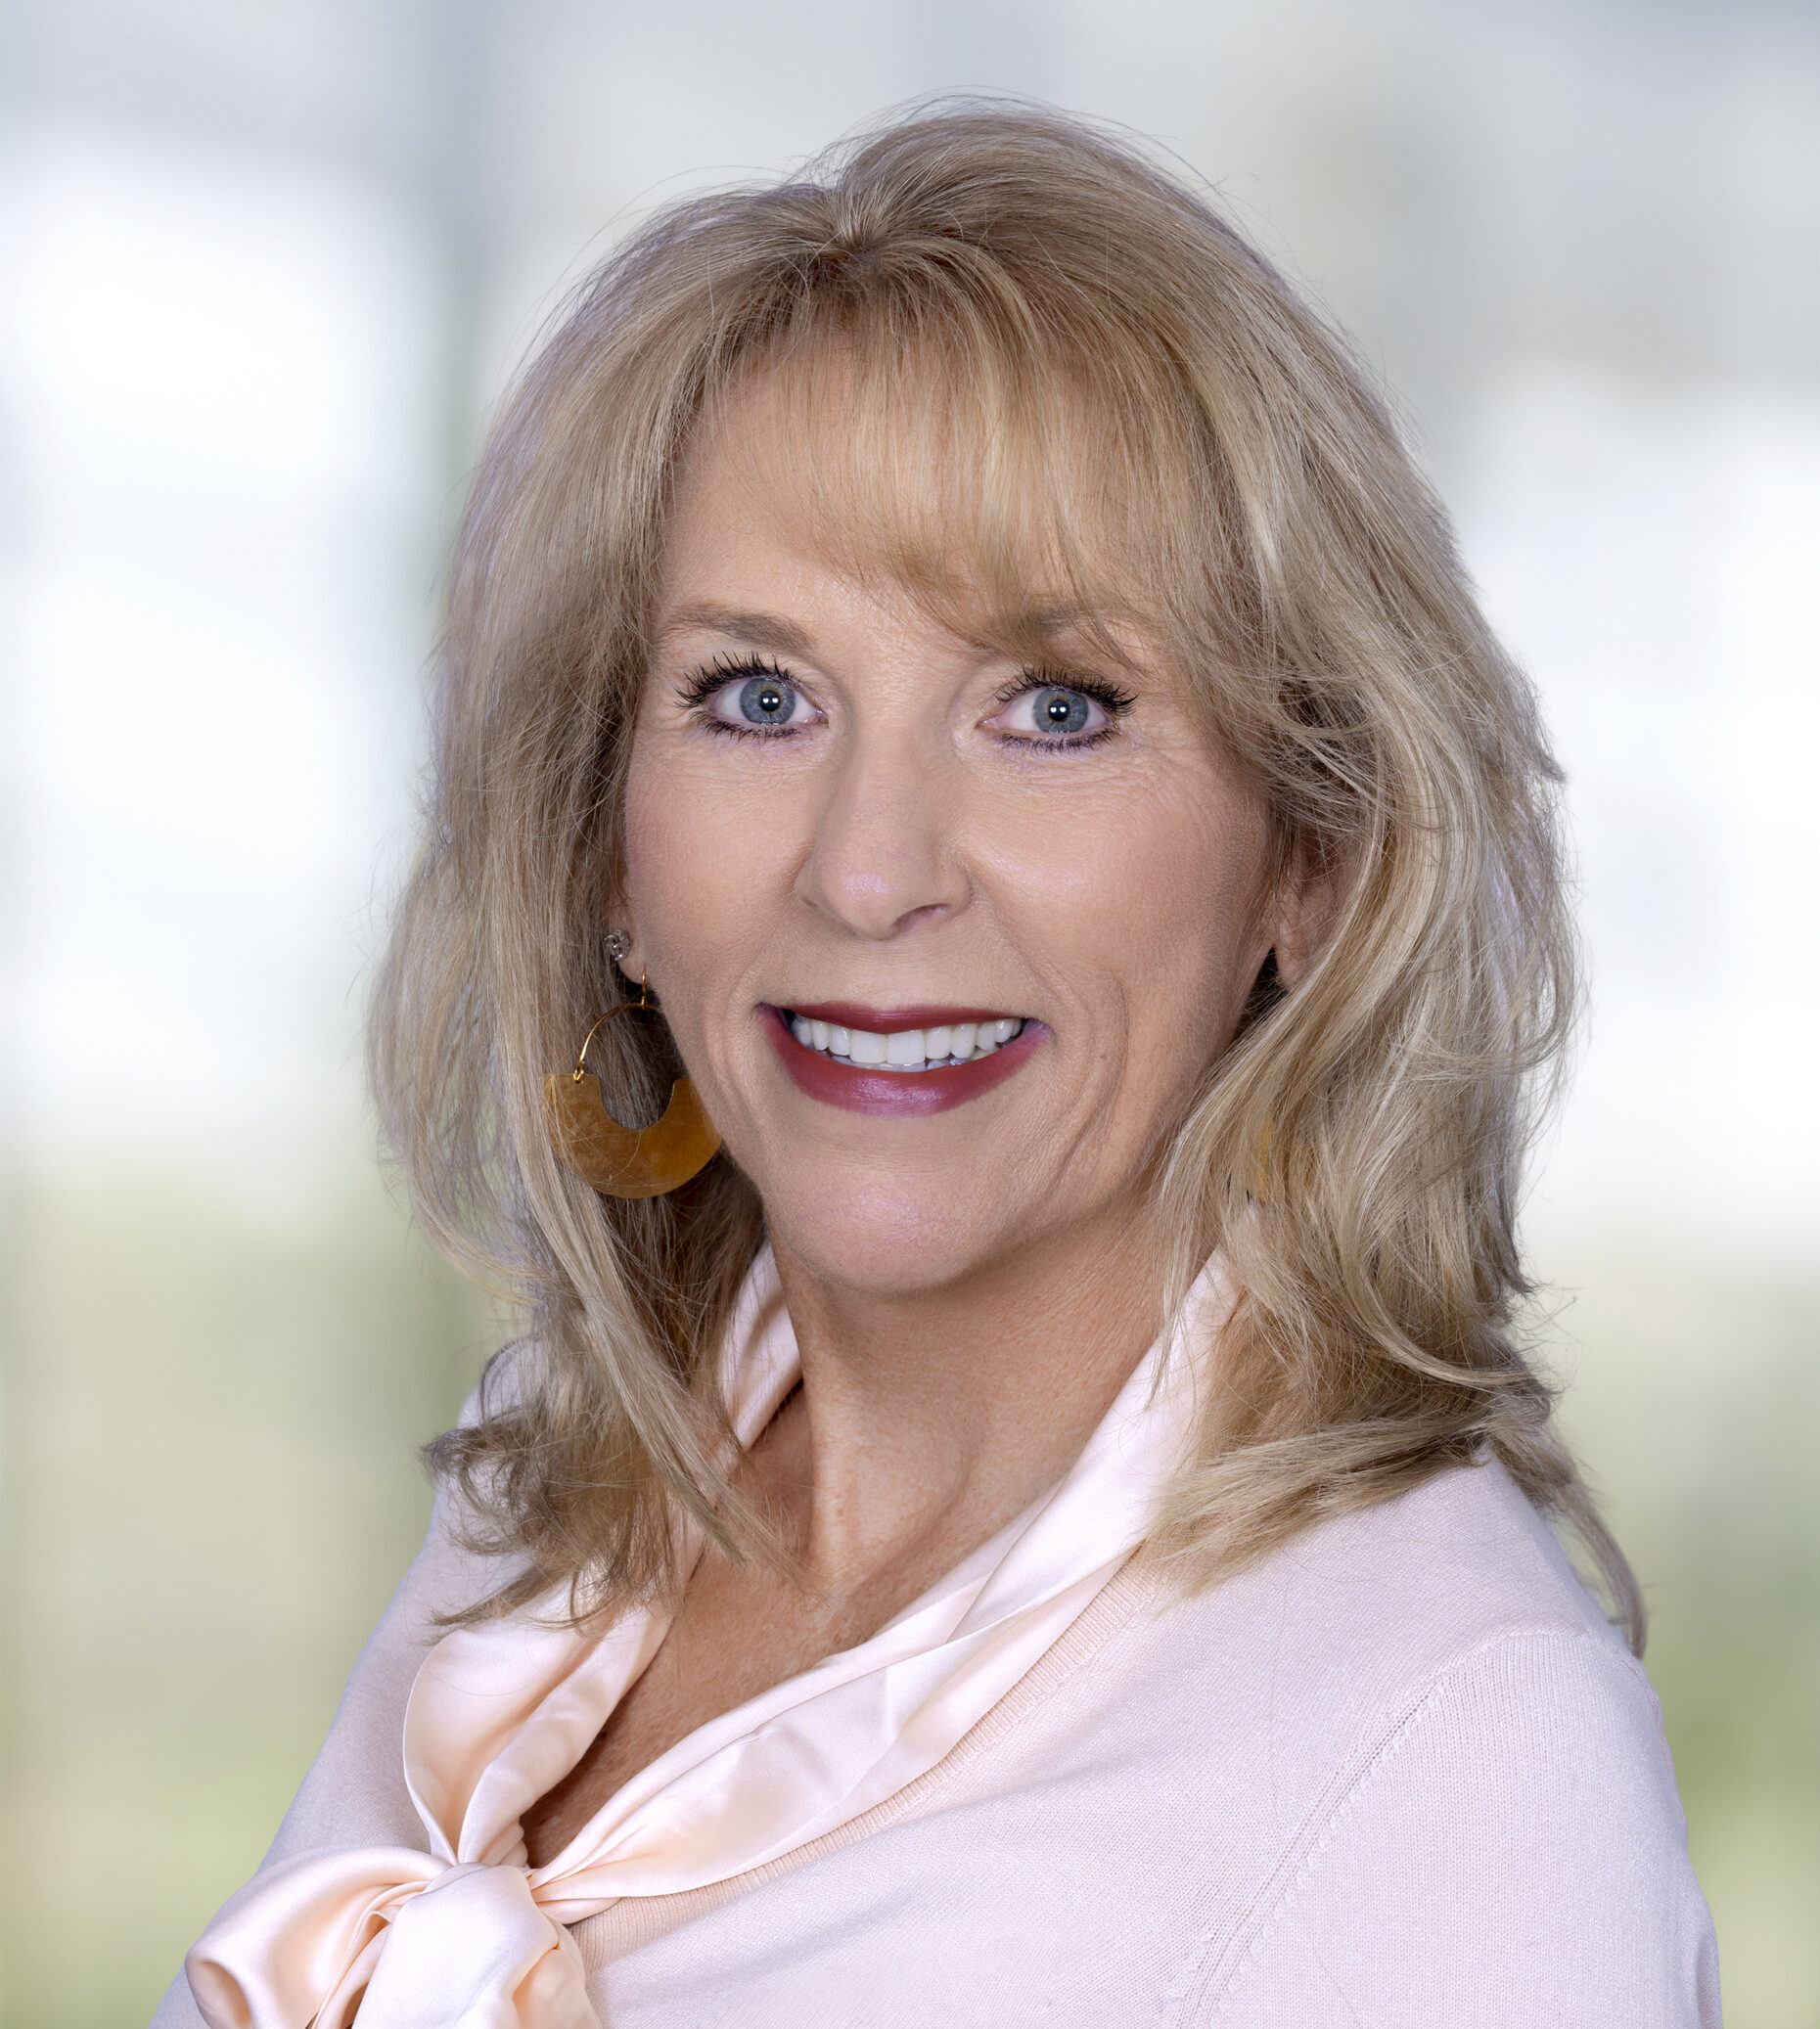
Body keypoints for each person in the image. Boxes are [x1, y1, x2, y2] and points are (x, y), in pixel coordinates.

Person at [156, 103, 1720, 2028]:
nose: (870, 864)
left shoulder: (1460, 1747)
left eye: (1056, 706)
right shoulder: (546, 1499)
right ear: (609, 857)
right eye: (757, 693)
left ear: (1304, 855)